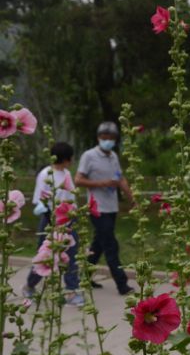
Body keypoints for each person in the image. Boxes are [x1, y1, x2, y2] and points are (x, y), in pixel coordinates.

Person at [74, 122, 135, 295]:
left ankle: (84, 276)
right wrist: (101, 183)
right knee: (110, 245)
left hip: (111, 206)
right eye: (104, 138)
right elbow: (78, 180)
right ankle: (122, 284)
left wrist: (132, 198)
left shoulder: (113, 157)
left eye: (111, 139)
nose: (107, 141)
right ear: (99, 138)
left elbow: (120, 179)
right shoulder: (89, 156)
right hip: (96, 207)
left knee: (98, 244)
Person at [22, 142, 85, 307]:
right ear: (65, 159)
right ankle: (30, 285)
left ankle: (71, 291)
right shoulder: (45, 174)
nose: (71, 161)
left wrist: (74, 215)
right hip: (50, 220)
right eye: (70, 158)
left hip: (68, 219)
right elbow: (40, 202)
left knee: (71, 254)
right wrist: (53, 222)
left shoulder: (66, 173)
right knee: (45, 255)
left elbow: (71, 198)